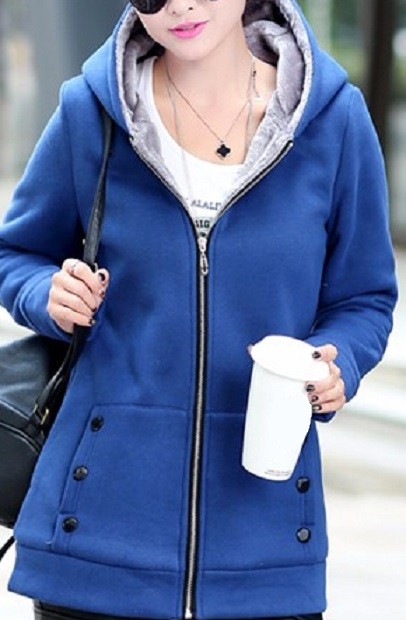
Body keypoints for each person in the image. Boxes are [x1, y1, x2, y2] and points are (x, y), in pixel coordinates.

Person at [0, 1, 398, 619]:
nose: (180, 6)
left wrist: (339, 361)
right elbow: (17, 255)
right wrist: (48, 293)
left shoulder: (334, 122)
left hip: (264, 548)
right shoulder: (91, 113)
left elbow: (364, 296)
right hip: (93, 546)